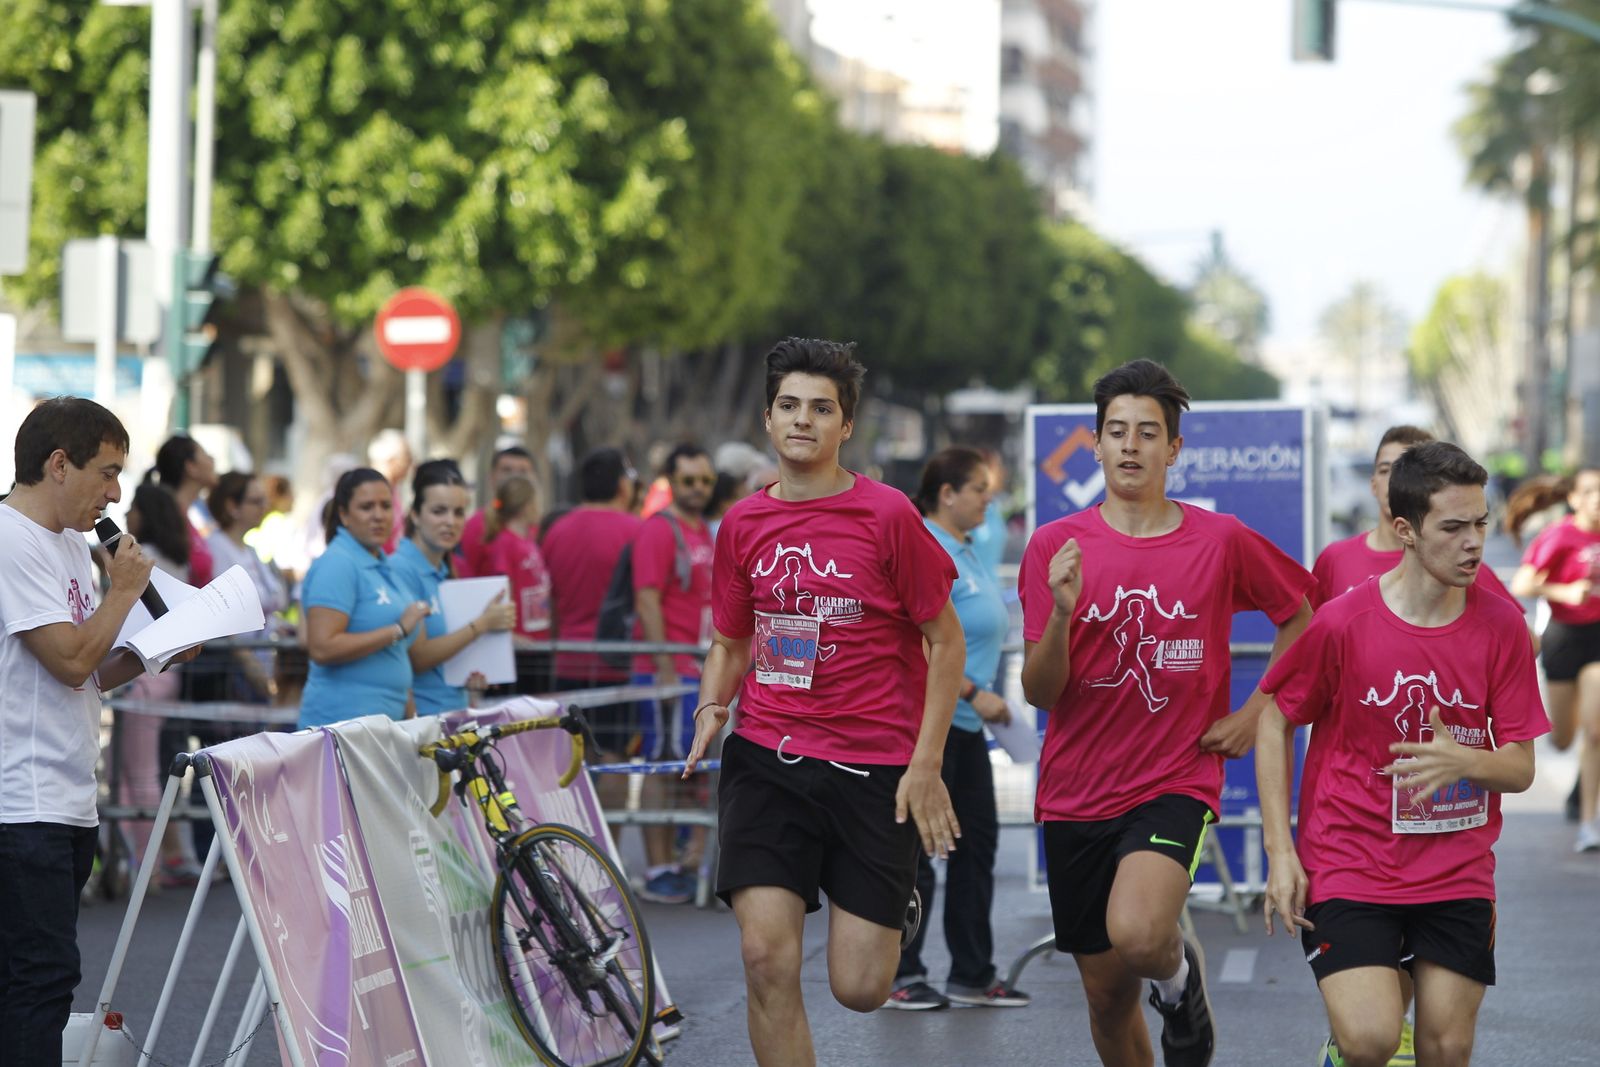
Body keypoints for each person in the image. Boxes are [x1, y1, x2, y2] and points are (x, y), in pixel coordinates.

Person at [1017, 359, 1314, 1067]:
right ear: (1094, 443)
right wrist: (1061, 615)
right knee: (1107, 1001)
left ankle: (1181, 986)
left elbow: (1300, 614)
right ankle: (1166, 1002)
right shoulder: (1053, 548)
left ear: (1173, 449)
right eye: (1115, 431)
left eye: (1147, 433)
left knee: (1143, 934)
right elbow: (1039, 692)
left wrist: (1256, 710)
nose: (1129, 445)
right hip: (1076, 792)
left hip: (1174, 780)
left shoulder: (1219, 540)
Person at [683, 337, 964, 1067]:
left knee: (861, 986)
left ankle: (895, 901)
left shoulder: (888, 515)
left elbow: (946, 641)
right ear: (768, 418)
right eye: (788, 405)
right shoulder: (743, 524)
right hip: (768, 758)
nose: (802, 420)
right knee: (763, 956)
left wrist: (926, 763)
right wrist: (714, 704)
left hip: (873, 768)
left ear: (845, 426)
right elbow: (733, 641)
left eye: (821, 408)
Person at [1257, 442, 1547, 1067]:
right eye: (1453, 527)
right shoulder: (1342, 623)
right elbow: (1275, 720)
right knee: (1372, 1040)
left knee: (1445, 1046)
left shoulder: (1501, 629)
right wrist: (1282, 853)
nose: (1473, 542)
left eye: (1480, 524)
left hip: (1455, 870)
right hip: (1351, 862)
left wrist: (1463, 762)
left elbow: (1521, 767)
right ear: (1405, 531)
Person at [0, 397, 184, 1064]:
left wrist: (158, 647)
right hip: (23, 806)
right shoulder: (11, 538)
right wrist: (124, 594)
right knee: (38, 987)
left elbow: (90, 667)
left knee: (34, 983)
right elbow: (71, 659)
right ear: (57, 464)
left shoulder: (76, 545)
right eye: (106, 473)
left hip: (66, 799)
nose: (114, 493)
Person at [886, 447, 1029, 1011]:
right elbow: (920, 638)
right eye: (978, 492)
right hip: (930, 724)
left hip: (966, 728)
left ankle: (972, 971)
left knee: (976, 847)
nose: (987, 501)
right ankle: (901, 970)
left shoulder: (968, 548)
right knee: (917, 852)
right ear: (947, 494)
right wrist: (973, 691)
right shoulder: (925, 546)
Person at [630, 444, 718, 905]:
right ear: (670, 482)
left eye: (705, 481)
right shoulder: (658, 532)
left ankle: (684, 861)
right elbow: (647, 599)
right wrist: (666, 668)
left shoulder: (703, 530)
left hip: (698, 672)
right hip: (667, 673)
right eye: (689, 481)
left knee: (690, 767)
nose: (698, 489)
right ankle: (660, 866)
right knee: (662, 765)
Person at [1313, 426, 1522, 612]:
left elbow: (1518, 639)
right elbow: (1308, 633)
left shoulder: (1463, 565)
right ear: (1373, 483)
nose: (1394, 481)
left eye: (1404, 471)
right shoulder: (1335, 559)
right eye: (1385, 470)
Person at [1507, 467, 1600, 851]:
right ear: (1574, 499)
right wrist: (1564, 590)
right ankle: (1583, 775)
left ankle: (1588, 824)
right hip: (1565, 637)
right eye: (1590, 492)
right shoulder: (1560, 534)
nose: (1598, 498)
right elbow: (1522, 583)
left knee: (1595, 730)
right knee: (1563, 739)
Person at [298, 468, 429, 728]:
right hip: (342, 727)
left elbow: (398, 659)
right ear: (344, 515)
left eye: (385, 506)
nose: (379, 515)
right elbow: (322, 647)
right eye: (367, 507)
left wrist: (414, 724)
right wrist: (398, 629)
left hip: (385, 727)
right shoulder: (338, 563)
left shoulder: (383, 565)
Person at [390, 461, 516, 717]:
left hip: (452, 717)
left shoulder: (447, 570)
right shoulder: (400, 569)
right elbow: (417, 657)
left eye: (459, 512)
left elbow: (447, 655)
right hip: (420, 724)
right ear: (415, 514)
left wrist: (473, 673)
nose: (450, 521)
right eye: (439, 511)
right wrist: (482, 624)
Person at [541, 447, 642, 751]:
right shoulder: (636, 530)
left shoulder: (557, 531)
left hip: (567, 663)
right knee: (615, 758)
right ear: (623, 486)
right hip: (618, 665)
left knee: (573, 762)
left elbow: (550, 602)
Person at [206, 472, 291, 701]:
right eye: (255, 501)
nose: (263, 506)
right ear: (232, 506)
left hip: (261, 664)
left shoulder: (249, 550)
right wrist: (248, 662)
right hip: (237, 672)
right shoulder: (217, 548)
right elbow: (222, 616)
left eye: (263, 500)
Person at [458, 444, 537, 578]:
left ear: (533, 478)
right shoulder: (476, 525)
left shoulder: (537, 524)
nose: (515, 477)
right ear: (491, 477)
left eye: (523, 471)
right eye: (507, 470)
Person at [152, 434, 219, 587]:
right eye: (206, 455)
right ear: (191, 467)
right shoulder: (167, 522)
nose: (212, 460)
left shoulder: (183, 519)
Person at [367, 429, 413, 554]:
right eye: (407, 457)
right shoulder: (369, 490)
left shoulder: (392, 489)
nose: (410, 463)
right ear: (392, 460)